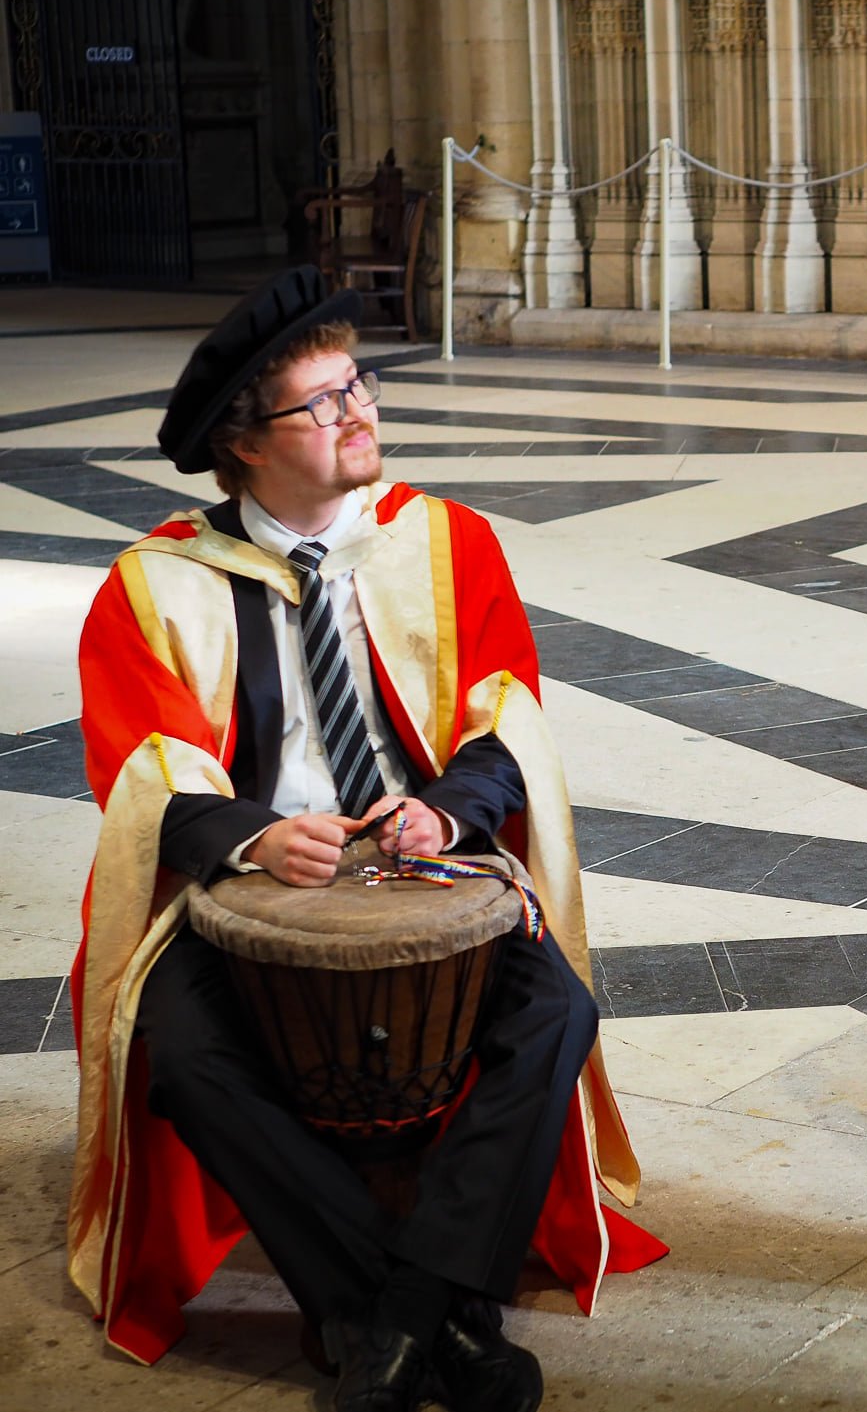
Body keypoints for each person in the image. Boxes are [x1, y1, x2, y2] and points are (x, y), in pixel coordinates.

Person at [67, 269, 665, 1411]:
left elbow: (506, 714)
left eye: (360, 387)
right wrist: (248, 834)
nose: (361, 415)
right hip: (255, 896)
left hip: (429, 866)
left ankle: (386, 1317)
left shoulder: (444, 543)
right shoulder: (156, 583)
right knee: (184, 1056)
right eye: (324, 403)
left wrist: (447, 807)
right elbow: (136, 769)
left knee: (554, 1013)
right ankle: (435, 1313)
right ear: (244, 445)